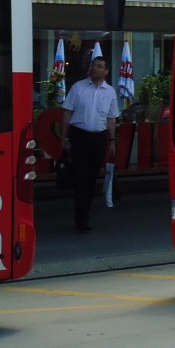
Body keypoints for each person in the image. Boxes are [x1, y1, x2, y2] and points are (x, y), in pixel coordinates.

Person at [61, 55, 119, 233]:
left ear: (106, 71)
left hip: (99, 138)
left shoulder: (110, 91)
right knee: (81, 176)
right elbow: (67, 113)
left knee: (92, 177)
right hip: (80, 136)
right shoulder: (78, 88)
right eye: (94, 65)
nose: (95, 68)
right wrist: (63, 137)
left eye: (100, 66)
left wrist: (111, 141)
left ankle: (85, 211)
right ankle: (81, 219)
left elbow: (111, 118)